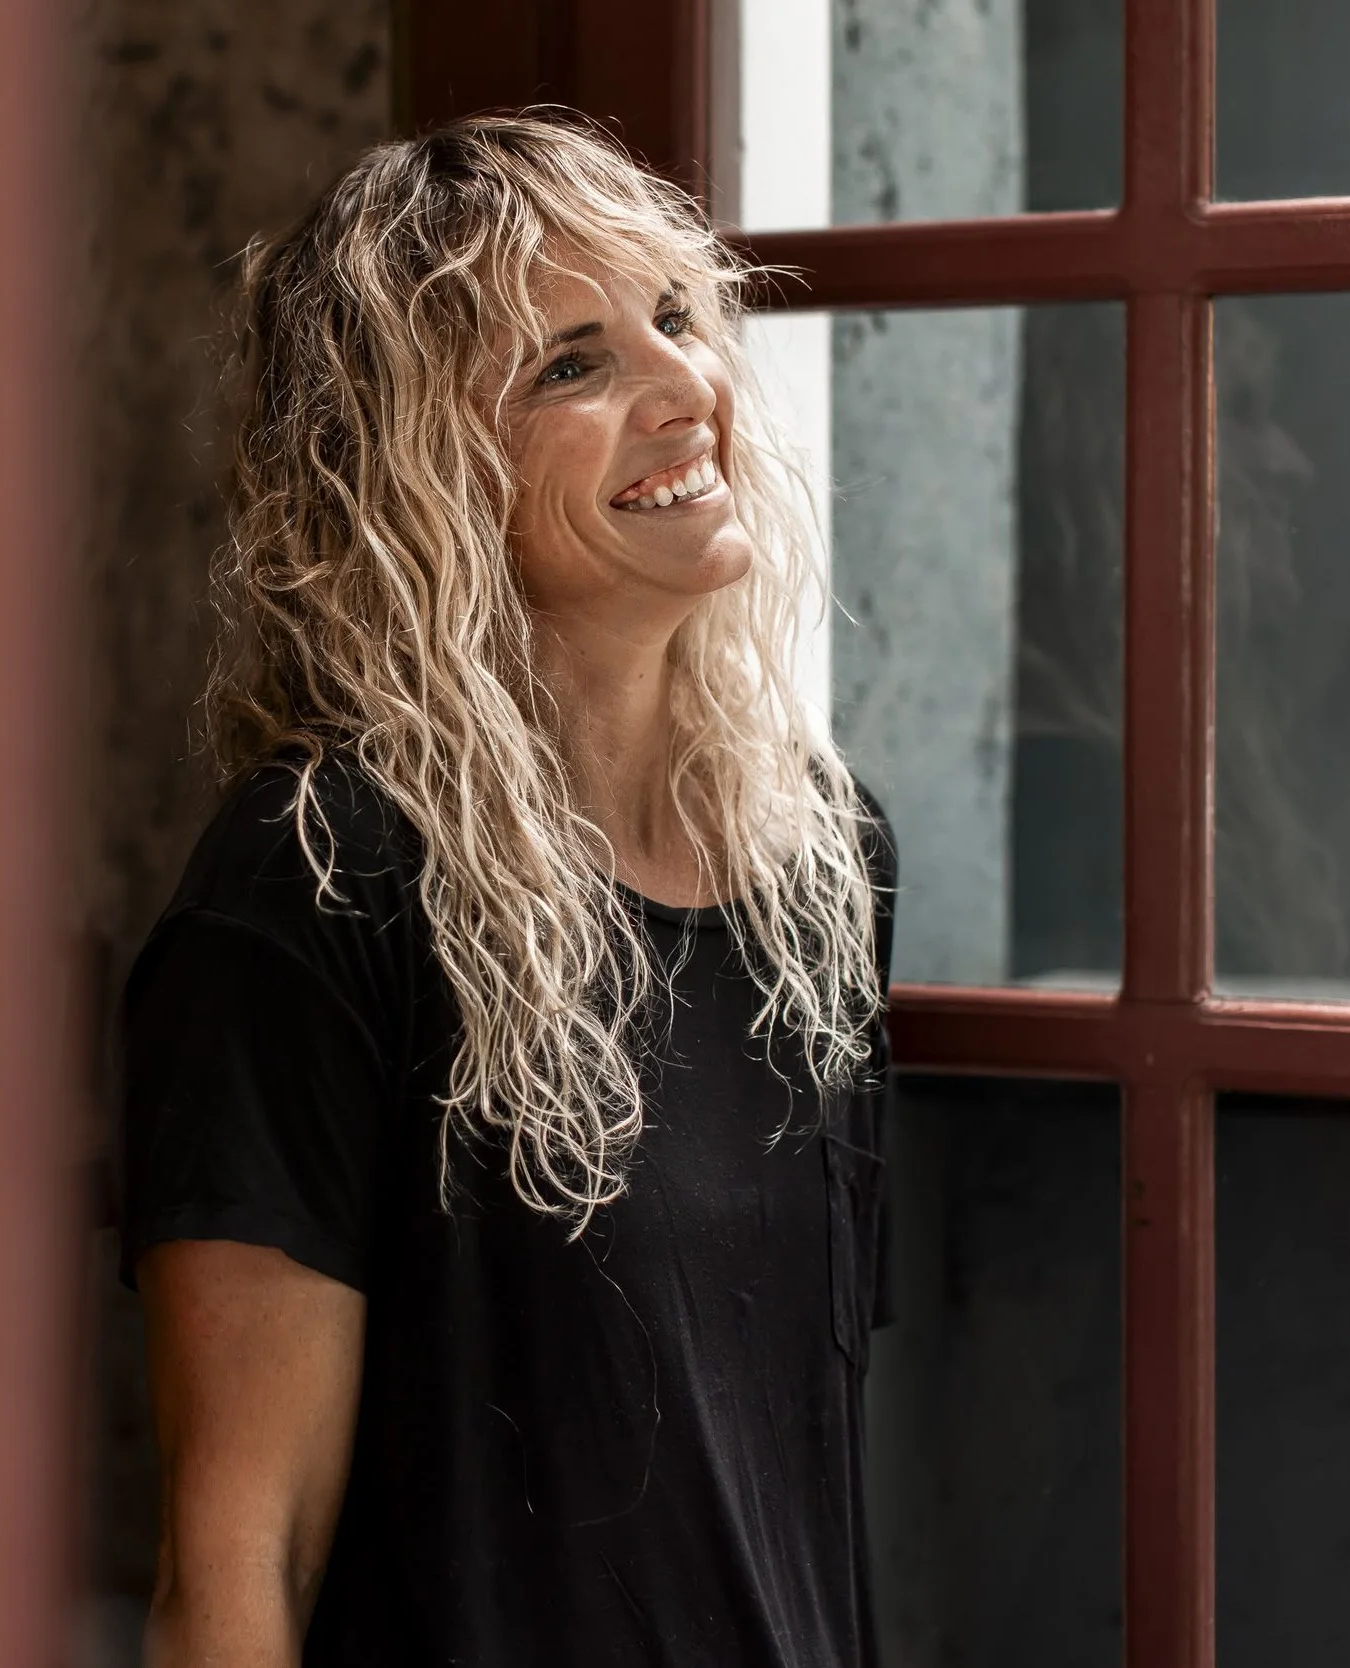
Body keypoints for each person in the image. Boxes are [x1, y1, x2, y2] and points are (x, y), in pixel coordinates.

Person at [120, 113, 899, 1668]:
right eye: (573, 364)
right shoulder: (317, 884)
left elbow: (773, 1476)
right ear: (419, 472)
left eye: (678, 317)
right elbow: (241, 1561)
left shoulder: (828, 860)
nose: (687, 391)